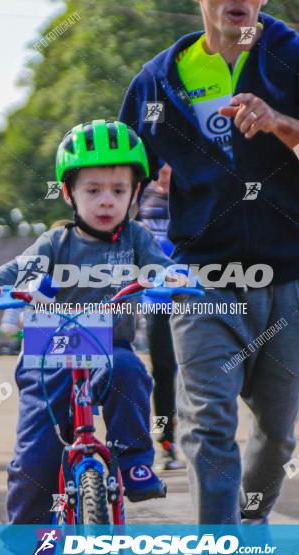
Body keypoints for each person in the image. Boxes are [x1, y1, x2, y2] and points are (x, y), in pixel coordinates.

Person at [120, 3, 299, 555]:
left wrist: (278, 121)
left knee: (276, 432)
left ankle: (253, 516)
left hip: (286, 279)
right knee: (206, 423)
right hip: (201, 279)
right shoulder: (157, 79)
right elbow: (125, 173)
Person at [0, 120, 177, 555]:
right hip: (50, 348)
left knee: (130, 372)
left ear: (135, 193)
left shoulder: (138, 239)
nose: (106, 200)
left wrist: (177, 281)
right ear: (69, 193)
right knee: (33, 460)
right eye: (93, 189)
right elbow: (21, 268)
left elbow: (163, 269)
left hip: (109, 343)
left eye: (119, 189)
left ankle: (135, 460)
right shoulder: (57, 241)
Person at [137, 163, 185, 471]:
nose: (167, 170)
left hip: (192, 292)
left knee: (196, 368)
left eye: (172, 164)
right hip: (156, 297)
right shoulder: (141, 196)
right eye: (162, 165)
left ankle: (202, 438)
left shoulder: (194, 191)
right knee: (163, 367)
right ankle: (166, 440)